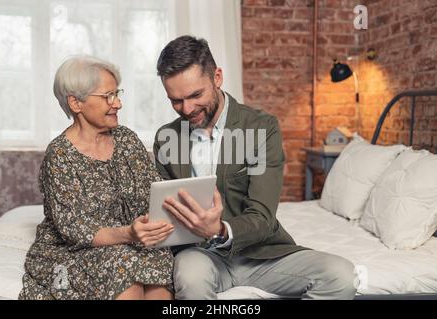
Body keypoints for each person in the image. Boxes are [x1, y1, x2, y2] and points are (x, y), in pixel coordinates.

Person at [153, 35, 358, 300]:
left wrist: (219, 230)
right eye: (176, 101)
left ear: (217, 77)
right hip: (200, 255)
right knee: (190, 278)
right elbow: (163, 212)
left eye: (195, 95)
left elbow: (262, 216)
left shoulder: (262, 127)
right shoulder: (166, 137)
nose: (187, 109)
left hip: (260, 254)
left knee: (340, 275)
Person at [19, 55, 174, 300]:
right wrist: (128, 234)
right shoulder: (59, 155)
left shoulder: (127, 140)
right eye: (107, 96)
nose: (118, 104)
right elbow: (76, 231)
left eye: (117, 93)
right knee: (121, 264)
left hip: (129, 241)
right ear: (76, 103)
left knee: (158, 259)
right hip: (77, 250)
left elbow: (152, 193)